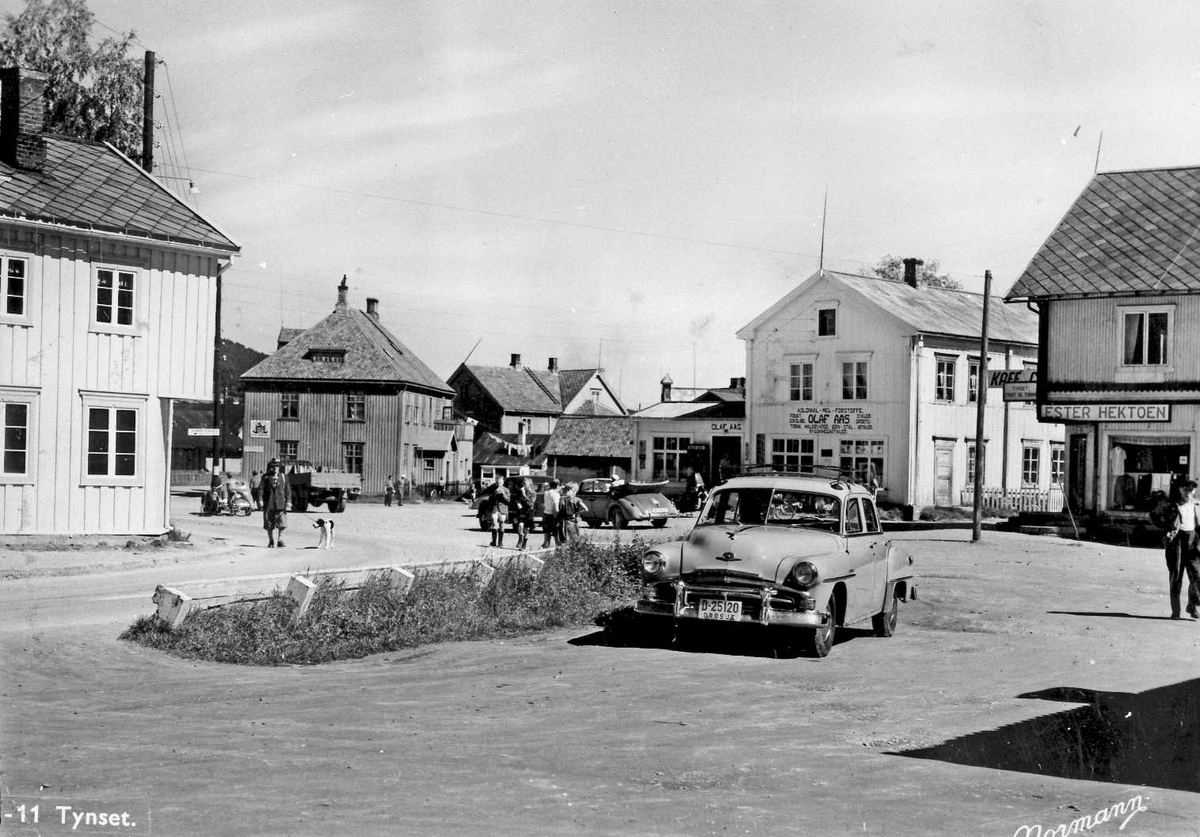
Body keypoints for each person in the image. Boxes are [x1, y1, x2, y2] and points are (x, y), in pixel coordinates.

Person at [1153, 479, 1200, 619]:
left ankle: (1192, 605)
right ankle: (1176, 611)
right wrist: (1166, 528)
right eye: (1185, 490)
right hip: (1176, 542)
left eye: (1191, 490)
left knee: (1198, 576)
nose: (1188, 493)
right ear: (1180, 489)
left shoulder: (1197, 505)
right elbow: (1153, 515)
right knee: (1176, 577)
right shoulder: (1171, 505)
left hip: (1193, 541)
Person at [260, 459, 290, 548]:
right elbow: (260, 490)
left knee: (282, 523)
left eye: (277, 466)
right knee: (269, 524)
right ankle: (271, 541)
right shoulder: (265, 477)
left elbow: (288, 490)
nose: (275, 468)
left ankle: (280, 540)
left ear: (279, 467)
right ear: (270, 468)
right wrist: (260, 500)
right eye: (273, 466)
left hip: (280, 504)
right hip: (269, 504)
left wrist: (289, 502)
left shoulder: (284, 476)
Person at [514, 477, 537, 550]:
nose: (523, 485)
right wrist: (518, 503)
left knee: (526, 528)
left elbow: (531, 503)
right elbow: (517, 500)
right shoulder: (520, 491)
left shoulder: (533, 492)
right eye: (522, 483)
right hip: (522, 511)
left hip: (529, 512)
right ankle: (520, 538)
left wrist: (524, 495)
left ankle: (524, 544)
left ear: (529, 484)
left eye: (525, 483)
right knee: (520, 525)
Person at [489, 479, 511, 548]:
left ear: (503, 483)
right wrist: (495, 494)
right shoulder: (493, 489)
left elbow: (508, 501)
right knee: (494, 524)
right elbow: (490, 499)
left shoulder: (506, 490)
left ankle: (500, 542)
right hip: (495, 508)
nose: (499, 484)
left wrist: (503, 493)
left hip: (502, 509)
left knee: (501, 525)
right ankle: (494, 542)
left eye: (500, 483)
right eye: (498, 483)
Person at [541, 478, 562, 548]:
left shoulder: (546, 492)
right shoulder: (556, 494)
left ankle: (546, 544)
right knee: (555, 532)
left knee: (546, 531)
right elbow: (556, 507)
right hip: (553, 515)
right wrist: (557, 517)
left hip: (546, 513)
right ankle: (557, 545)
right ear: (558, 486)